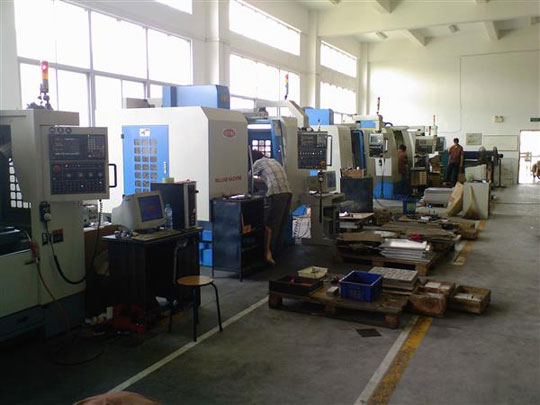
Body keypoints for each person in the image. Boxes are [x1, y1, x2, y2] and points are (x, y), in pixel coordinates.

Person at [250, 149, 292, 265]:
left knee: (272, 225)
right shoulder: (272, 160)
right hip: (287, 193)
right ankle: (277, 252)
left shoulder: (257, 163)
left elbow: (246, 178)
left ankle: (269, 253)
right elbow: (267, 179)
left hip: (277, 194)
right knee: (281, 224)